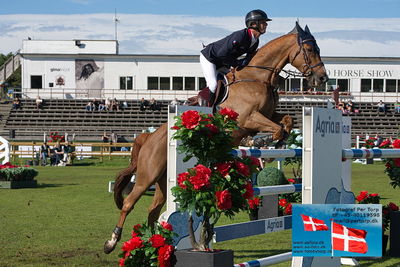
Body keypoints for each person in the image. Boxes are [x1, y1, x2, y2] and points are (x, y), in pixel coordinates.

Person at [200, 9, 271, 105]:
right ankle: (206, 109)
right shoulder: (240, 36)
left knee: (236, 81)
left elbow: (247, 59)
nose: (266, 25)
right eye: (263, 22)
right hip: (210, 58)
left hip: (223, 61)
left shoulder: (255, 41)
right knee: (213, 85)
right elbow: (222, 54)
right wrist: (236, 64)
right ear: (254, 24)